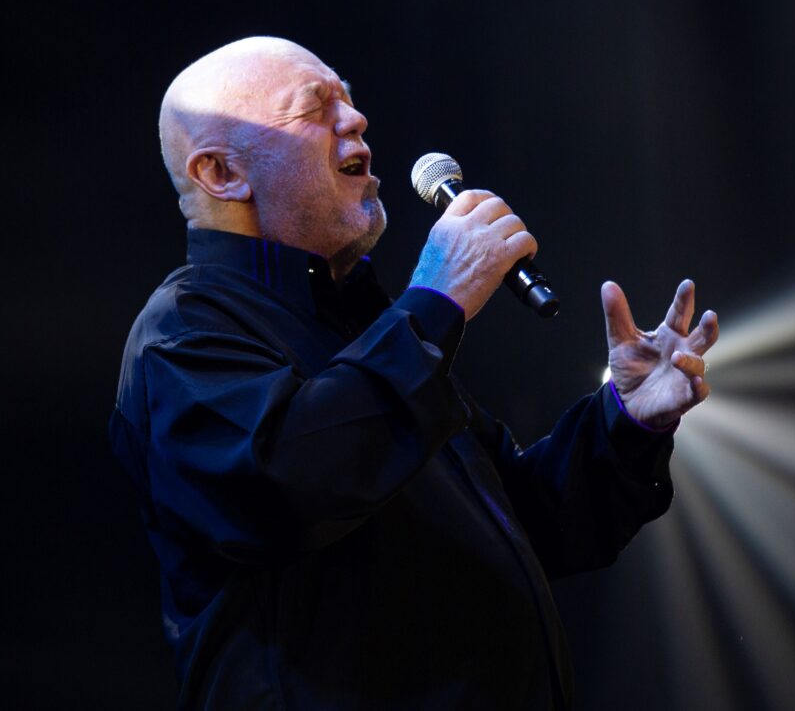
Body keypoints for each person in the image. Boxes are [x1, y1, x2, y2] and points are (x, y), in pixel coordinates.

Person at [110, 36, 718, 710]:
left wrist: (625, 423)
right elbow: (289, 482)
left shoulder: (366, 328)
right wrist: (436, 300)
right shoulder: (183, 331)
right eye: (315, 107)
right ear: (222, 173)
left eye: (349, 99)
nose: (356, 119)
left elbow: (530, 525)